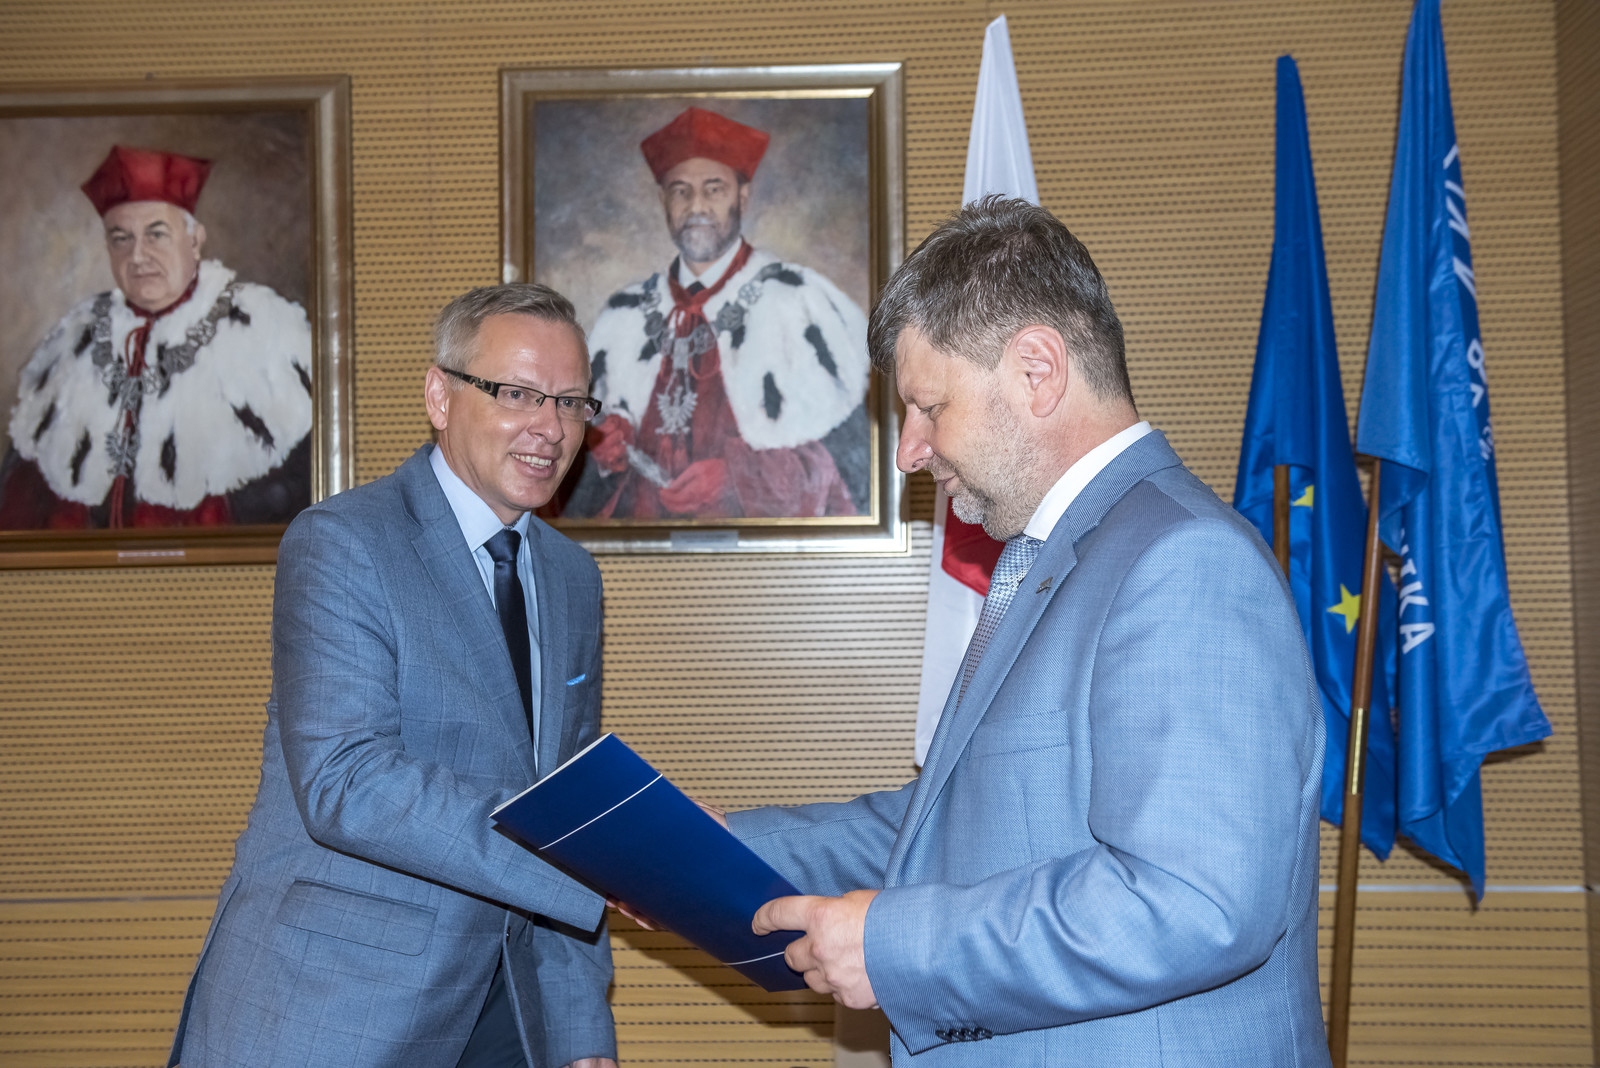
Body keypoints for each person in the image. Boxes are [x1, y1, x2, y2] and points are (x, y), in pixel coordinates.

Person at [725, 197, 1331, 1065]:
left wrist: (896, 947)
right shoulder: (1063, 556)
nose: (908, 451)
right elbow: (954, 825)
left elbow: (1195, 903)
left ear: (1038, 370)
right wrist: (704, 849)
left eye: (928, 406)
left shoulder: (1184, 561)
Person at [168, 285, 617, 1068]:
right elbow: (348, 780)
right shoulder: (344, 541)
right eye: (517, 394)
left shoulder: (573, 579)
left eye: (571, 402)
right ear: (440, 396)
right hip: (334, 1006)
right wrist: (593, 859)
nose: (550, 428)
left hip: (510, 1016)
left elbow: (565, 794)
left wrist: (582, 1034)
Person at [566, 106, 870, 520]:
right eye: (680, 191)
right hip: (636, 546)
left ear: (742, 196)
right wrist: (599, 446)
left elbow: (850, 469)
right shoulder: (623, 317)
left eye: (714, 189)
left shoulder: (800, 303)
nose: (697, 206)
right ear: (662, 201)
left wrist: (737, 479)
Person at [1, 144, 313, 529]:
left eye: (156, 234)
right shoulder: (72, 342)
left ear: (194, 240)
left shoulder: (265, 331)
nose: (137, 256)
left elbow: (294, 496)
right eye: (121, 238)